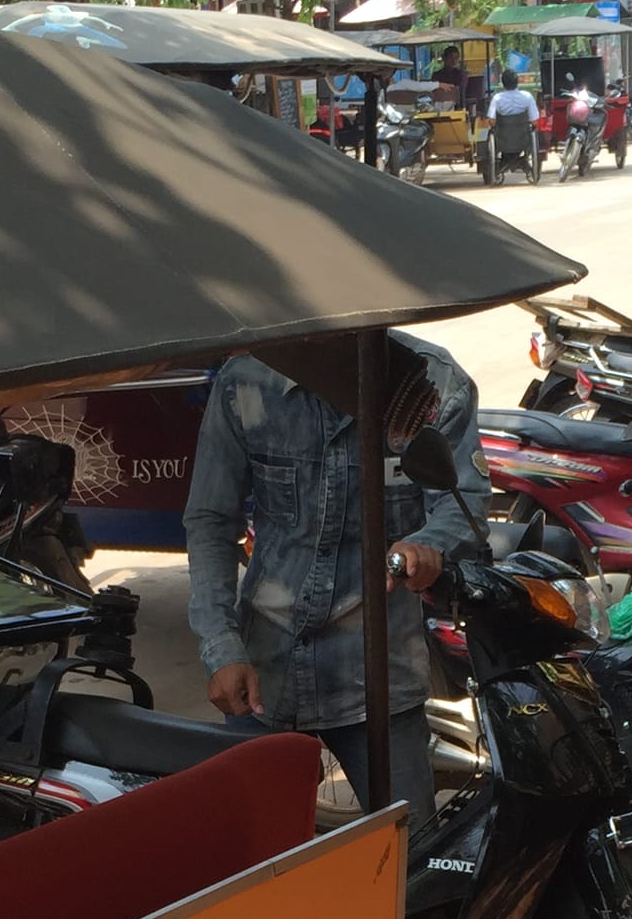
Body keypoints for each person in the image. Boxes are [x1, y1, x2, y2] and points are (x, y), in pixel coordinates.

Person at [184, 335, 488, 834]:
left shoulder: (431, 386)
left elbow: (463, 501)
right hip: (265, 669)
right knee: (253, 860)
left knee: (411, 862)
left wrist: (427, 545)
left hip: (379, 676)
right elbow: (210, 521)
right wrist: (222, 647)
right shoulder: (246, 383)